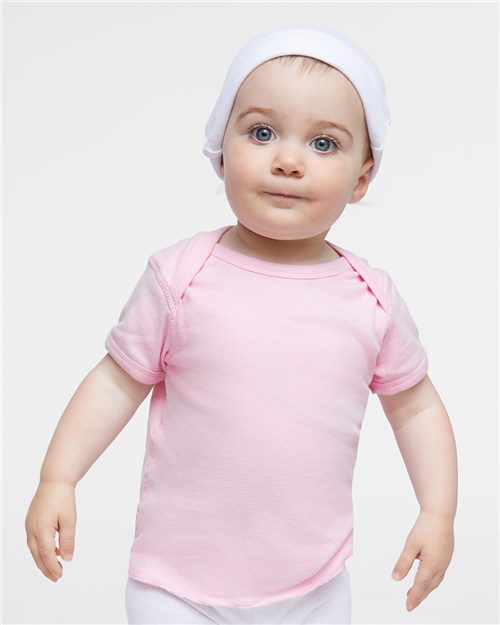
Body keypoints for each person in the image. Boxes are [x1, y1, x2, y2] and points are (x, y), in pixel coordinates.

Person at [25, 25, 457, 625]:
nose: (288, 160)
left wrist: (438, 512)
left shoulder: (371, 299)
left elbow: (416, 408)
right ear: (221, 150)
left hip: (313, 588)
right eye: (261, 132)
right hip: (175, 588)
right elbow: (115, 383)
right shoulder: (180, 277)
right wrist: (59, 478)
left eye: (324, 143)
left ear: (362, 178)